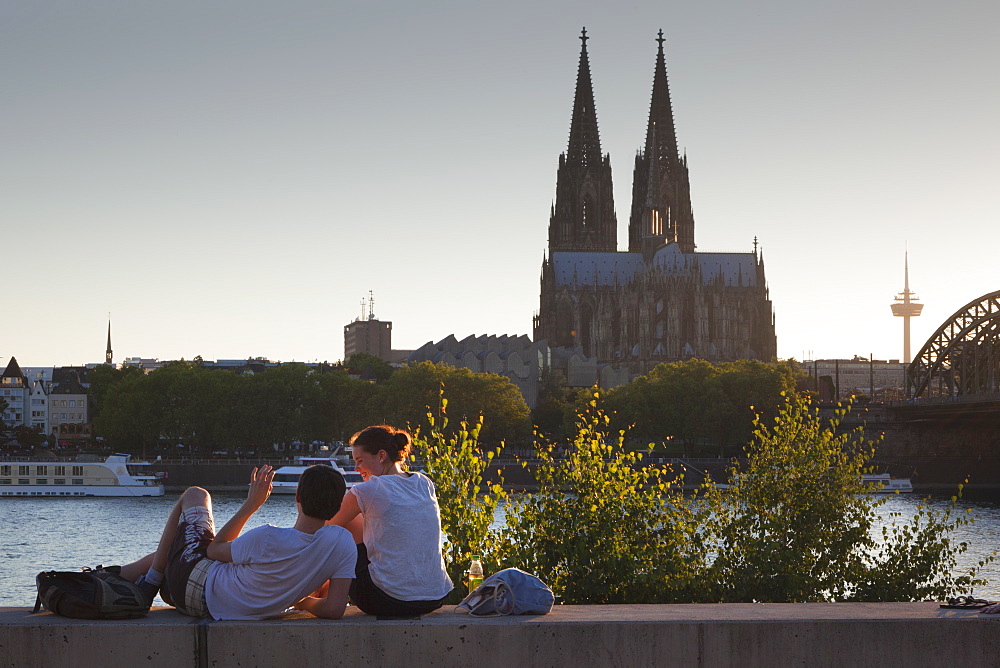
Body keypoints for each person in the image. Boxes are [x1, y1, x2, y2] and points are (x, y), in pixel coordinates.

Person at [118, 464, 356, 620]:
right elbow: (335, 609)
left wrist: (252, 504)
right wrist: (303, 602)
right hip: (202, 603)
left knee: (195, 495)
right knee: (172, 551)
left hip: (191, 585)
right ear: (337, 505)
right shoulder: (342, 544)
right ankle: (110, 574)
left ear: (298, 497)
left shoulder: (268, 537)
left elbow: (212, 550)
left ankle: (149, 585)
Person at [329, 425, 454, 616]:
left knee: (340, 526)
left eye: (360, 460)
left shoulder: (369, 490)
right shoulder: (424, 482)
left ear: (381, 455)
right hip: (434, 597)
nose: (356, 468)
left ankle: (321, 600)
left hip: (386, 599)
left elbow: (327, 526)